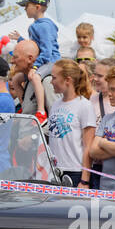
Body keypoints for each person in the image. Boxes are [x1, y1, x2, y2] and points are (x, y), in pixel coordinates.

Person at [46, 59, 97, 187]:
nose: (51, 82)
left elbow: (88, 146)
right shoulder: (55, 105)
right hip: (54, 171)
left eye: (54, 78)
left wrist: (84, 180)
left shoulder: (84, 105)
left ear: (67, 80)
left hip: (75, 172)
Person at [9, 0, 59, 71]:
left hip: (50, 63)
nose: (25, 8)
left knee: (33, 77)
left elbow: (47, 52)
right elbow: (36, 47)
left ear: (37, 7)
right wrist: (20, 40)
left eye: (27, 5)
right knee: (17, 79)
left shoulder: (43, 26)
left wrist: (35, 66)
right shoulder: (37, 25)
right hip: (43, 63)